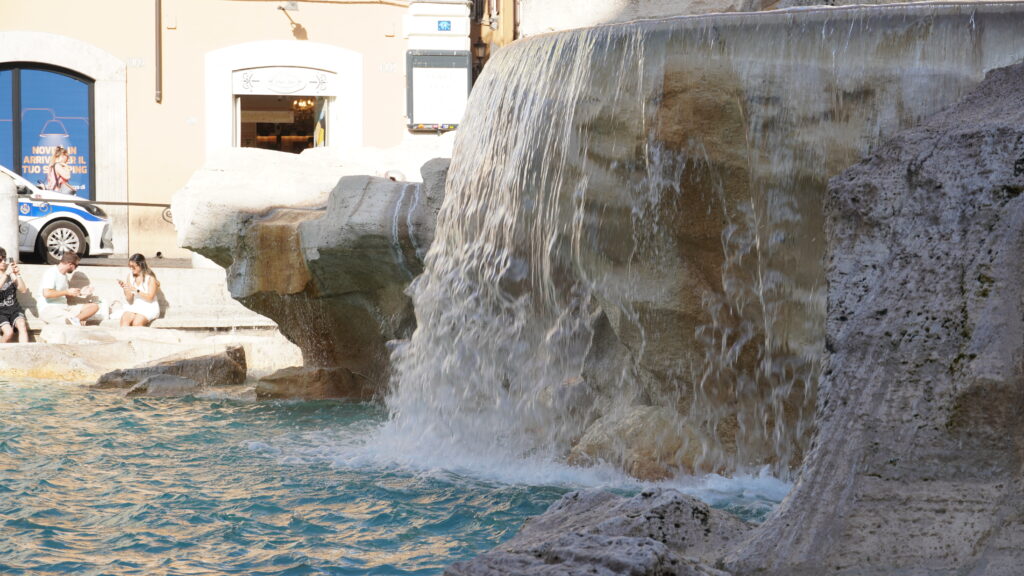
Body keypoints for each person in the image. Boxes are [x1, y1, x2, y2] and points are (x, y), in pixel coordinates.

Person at [39, 252, 98, 326]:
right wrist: (67, 292)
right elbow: (46, 293)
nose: (75, 268)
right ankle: (74, 320)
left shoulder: (64, 276)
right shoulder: (51, 272)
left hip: (64, 308)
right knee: (79, 320)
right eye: (76, 266)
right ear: (70, 264)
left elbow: (64, 294)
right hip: (49, 308)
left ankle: (74, 320)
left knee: (94, 306)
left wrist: (81, 293)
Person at [118, 253, 160, 327]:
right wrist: (125, 288)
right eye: (130, 266)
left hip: (149, 306)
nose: (131, 269)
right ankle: (125, 338)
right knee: (124, 319)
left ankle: (136, 338)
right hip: (136, 305)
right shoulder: (130, 276)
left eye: (133, 267)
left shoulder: (150, 278)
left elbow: (150, 298)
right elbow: (129, 298)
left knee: (136, 323)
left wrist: (137, 290)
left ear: (140, 265)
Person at [0, 248, 29, 343]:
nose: (3, 262)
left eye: (4, 259)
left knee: (22, 325)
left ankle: (25, 354)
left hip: (14, 309)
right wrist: (4, 276)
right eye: (0, 260)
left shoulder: (11, 276)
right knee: (8, 333)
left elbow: (23, 290)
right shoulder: (5, 276)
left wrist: (17, 275)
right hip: (0, 312)